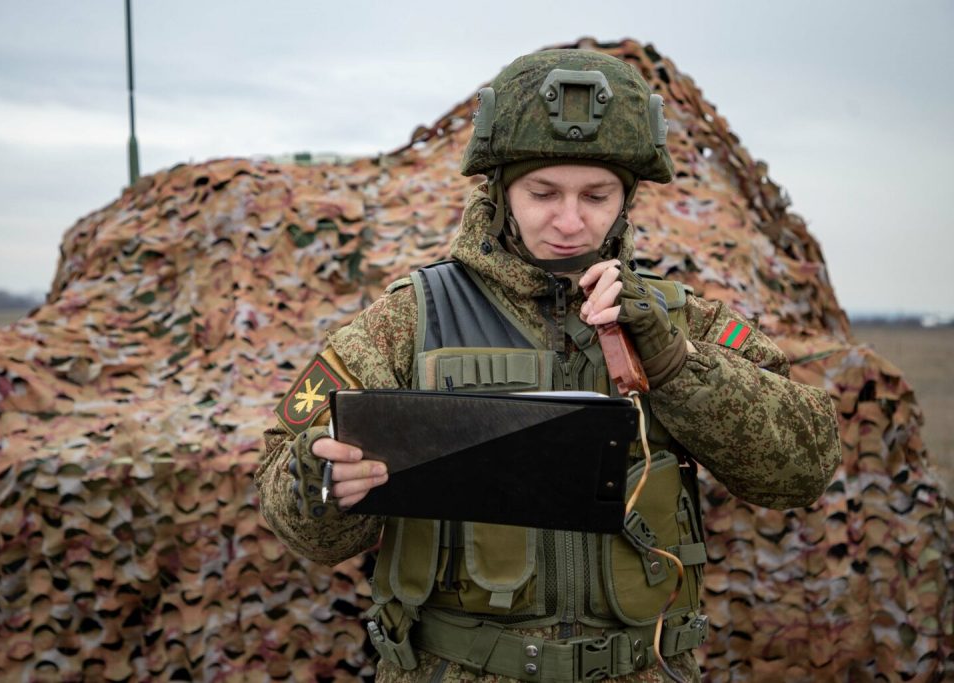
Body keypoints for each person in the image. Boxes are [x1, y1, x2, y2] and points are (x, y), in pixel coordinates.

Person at [256, 49, 841, 682]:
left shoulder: (679, 321)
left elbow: (802, 469)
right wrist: (321, 484)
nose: (569, 221)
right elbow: (298, 517)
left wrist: (678, 366)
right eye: (543, 193)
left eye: (596, 195)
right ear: (500, 191)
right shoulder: (411, 321)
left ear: (628, 198)